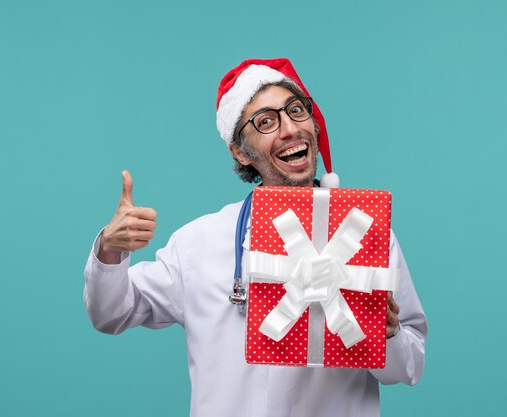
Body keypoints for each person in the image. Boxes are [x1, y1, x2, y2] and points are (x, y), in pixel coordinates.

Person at [84, 58, 427, 417]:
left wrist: (388, 335)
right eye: (265, 122)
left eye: (296, 110)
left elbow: (410, 366)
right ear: (239, 151)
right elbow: (111, 314)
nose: (290, 129)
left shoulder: (367, 235)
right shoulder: (198, 243)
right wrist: (110, 249)